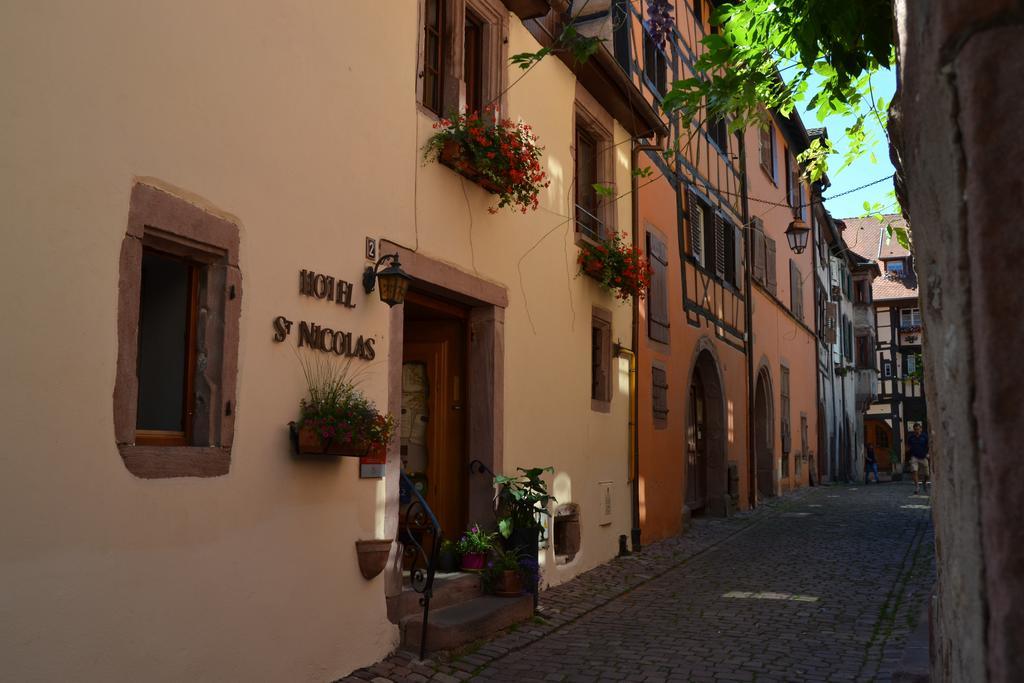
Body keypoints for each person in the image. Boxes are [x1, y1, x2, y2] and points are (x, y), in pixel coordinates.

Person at [906, 422, 930, 494]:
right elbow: (908, 447)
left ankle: (924, 482)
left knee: (927, 474)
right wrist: (908, 458)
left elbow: (929, 445)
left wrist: (928, 454)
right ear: (914, 430)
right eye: (915, 429)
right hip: (914, 457)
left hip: (923, 457)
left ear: (921, 429)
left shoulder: (925, 437)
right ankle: (917, 487)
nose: (917, 431)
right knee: (914, 471)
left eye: (918, 429)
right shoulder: (911, 437)